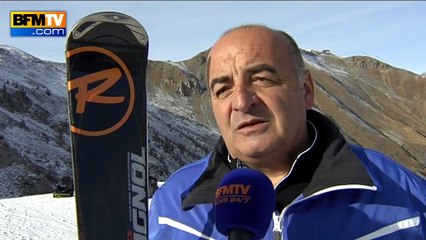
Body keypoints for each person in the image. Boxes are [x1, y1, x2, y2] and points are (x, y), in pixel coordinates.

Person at [149, 24, 426, 239]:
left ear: (306, 90)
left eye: (261, 79)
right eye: (223, 90)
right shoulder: (172, 206)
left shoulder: (408, 201)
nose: (242, 102)